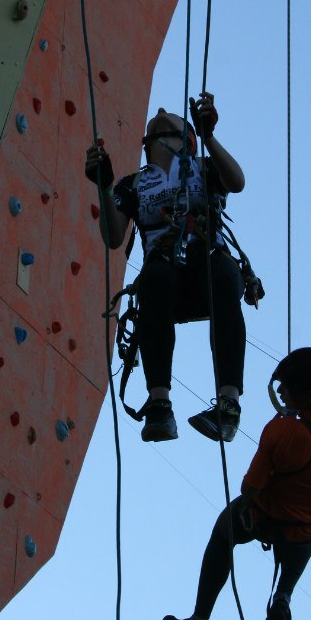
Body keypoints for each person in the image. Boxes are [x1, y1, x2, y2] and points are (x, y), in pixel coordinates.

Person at [162, 347, 311, 620]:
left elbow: (251, 488)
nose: (281, 392)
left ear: (308, 396)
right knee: (306, 536)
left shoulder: (281, 431)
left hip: (263, 518)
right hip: (308, 527)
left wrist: (285, 428)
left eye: (286, 388)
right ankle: (283, 596)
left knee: (223, 532)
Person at [84, 92, 247, 444]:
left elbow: (237, 182)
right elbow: (113, 237)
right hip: (166, 273)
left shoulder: (202, 167)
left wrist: (209, 138)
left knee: (222, 274)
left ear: (185, 140)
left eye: (168, 127)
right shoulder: (136, 183)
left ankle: (229, 402)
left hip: (206, 262)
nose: (159, 114)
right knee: (154, 281)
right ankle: (160, 403)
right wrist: (105, 187)